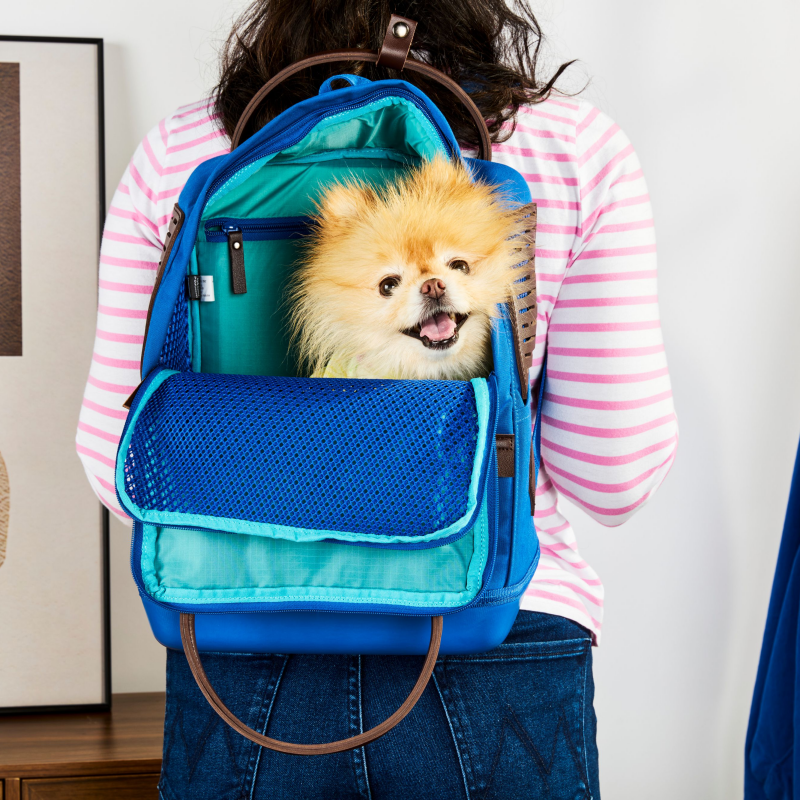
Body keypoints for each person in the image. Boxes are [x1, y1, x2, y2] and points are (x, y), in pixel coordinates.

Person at [76, 2, 677, 797]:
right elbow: (615, 472)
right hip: (493, 632)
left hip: (241, 627)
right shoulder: (573, 146)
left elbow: (112, 466)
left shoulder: (184, 149)